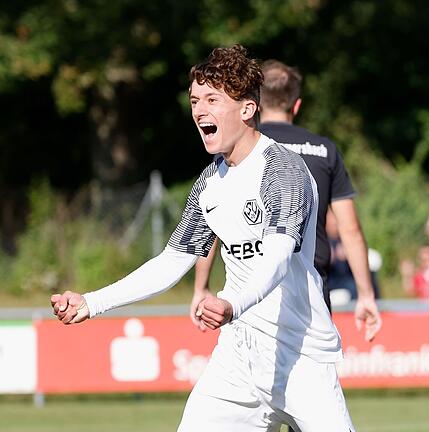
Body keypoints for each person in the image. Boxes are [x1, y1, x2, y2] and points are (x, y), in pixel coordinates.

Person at [51, 45, 359, 431]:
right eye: (195, 100)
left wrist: (232, 302)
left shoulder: (284, 169)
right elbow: (171, 261)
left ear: (248, 109)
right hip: (238, 359)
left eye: (213, 99)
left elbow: (279, 255)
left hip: (300, 356)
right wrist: (91, 303)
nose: (199, 110)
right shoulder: (210, 181)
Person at [190, 59, 381, 342]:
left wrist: (200, 287)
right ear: (296, 105)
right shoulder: (324, 150)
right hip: (309, 283)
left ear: (253, 103)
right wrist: (365, 294)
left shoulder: (241, 146)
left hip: (251, 285)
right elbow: (349, 228)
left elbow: (212, 222)